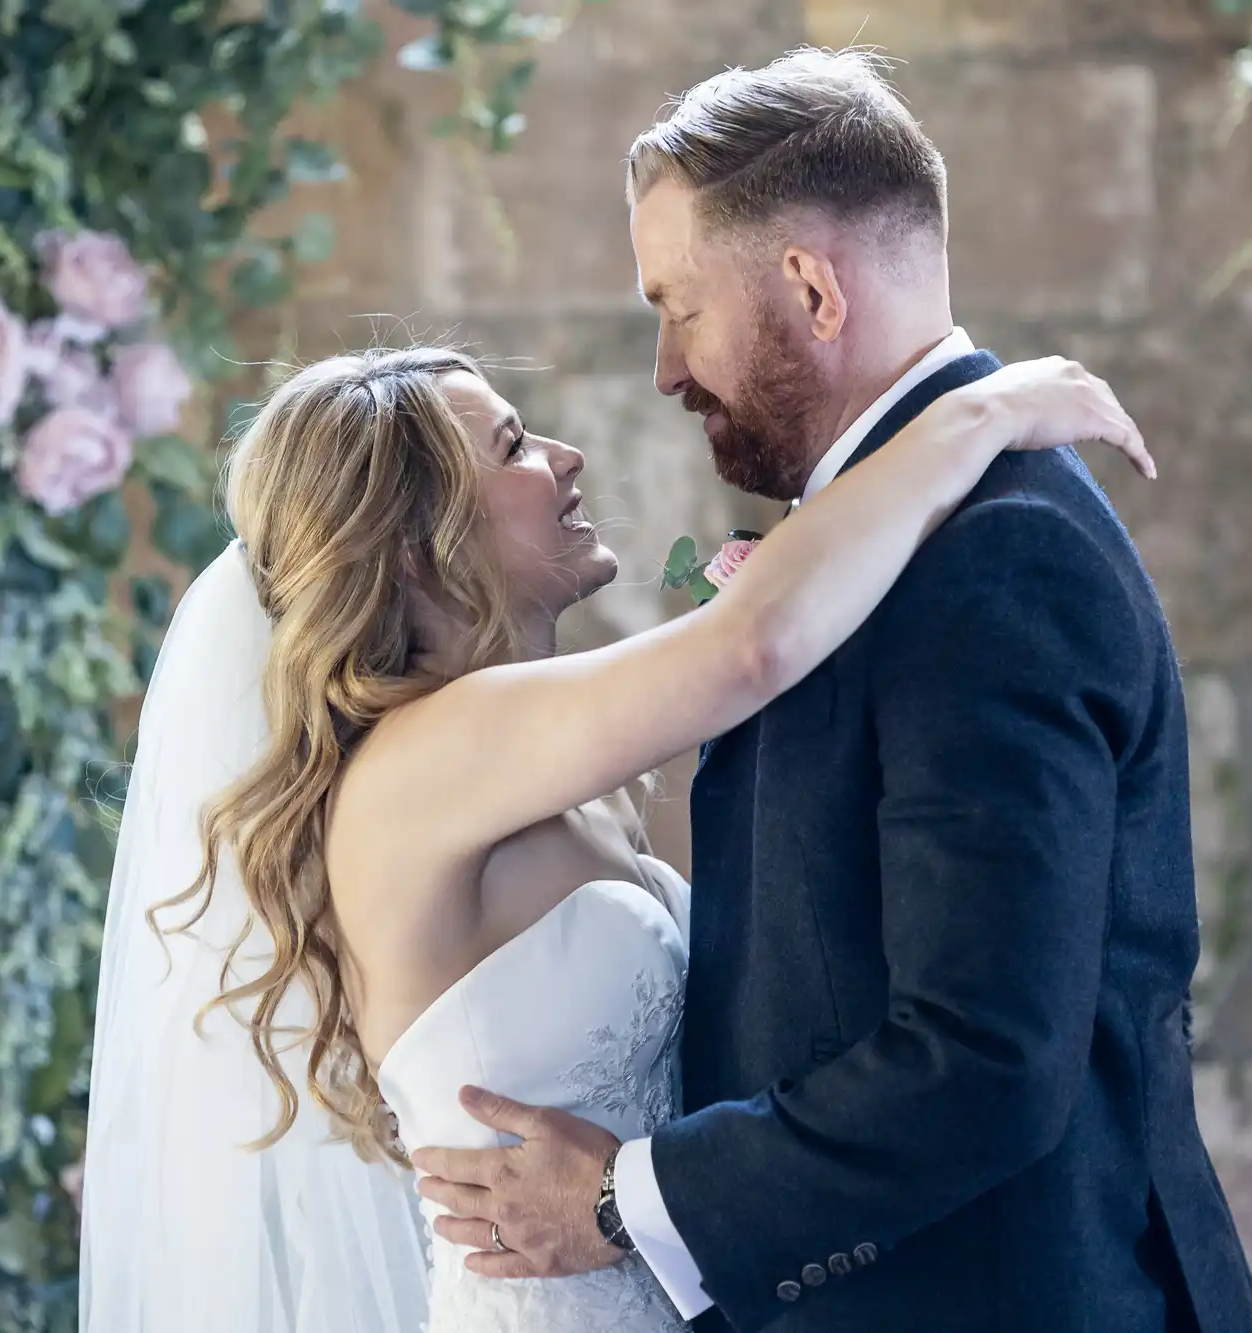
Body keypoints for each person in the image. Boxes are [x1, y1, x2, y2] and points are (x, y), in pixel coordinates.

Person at [411, 47, 1252, 1333]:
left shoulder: (997, 555)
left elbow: (979, 1059)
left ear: (809, 287)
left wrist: (620, 1201)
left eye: (678, 306)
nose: (662, 367)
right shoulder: (886, 543)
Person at [80, 338, 1152, 1332]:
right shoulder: (421, 760)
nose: (563, 455)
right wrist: (978, 410)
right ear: (416, 548)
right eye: (511, 446)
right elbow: (746, 650)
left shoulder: (556, 774)